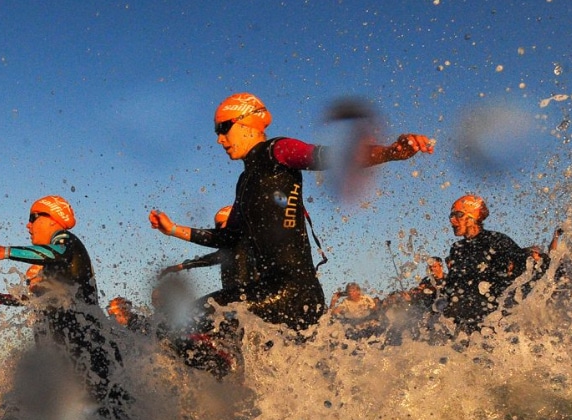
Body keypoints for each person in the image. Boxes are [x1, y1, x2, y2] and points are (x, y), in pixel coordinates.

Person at [149, 92, 433, 331]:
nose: (219, 139)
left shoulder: (277, 150)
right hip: (271, 291)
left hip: (293, 292)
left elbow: (329, 156)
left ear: (246, 121)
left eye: (223, 128)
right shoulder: (244, 182)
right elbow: (228, 238)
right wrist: (172, 229)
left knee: (187, 324)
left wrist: (391, 151)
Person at [0, 195, 129, 419]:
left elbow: (55, 253)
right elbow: (7, 299)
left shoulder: (66, 240)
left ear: (53, 218)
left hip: (92, 348)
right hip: (74, 355)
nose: (28, 225)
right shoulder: (48, 289)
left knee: (110, 412)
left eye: (33, 218)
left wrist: (4, 251)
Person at [442, 194, 529, 334]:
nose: (452, 220)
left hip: (493, 319)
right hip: (465, 321)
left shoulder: (497, 240)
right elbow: (452, 285)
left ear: (473, 217)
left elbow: (525, 269)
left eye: (458, 215)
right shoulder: (457, 248)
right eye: (451, 216)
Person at [158, 206, 239, 289]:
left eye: (225, 223)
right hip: (235, 295)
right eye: (218, 226)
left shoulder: (245, 241)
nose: (221, 228)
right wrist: (181, 266)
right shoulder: (229, 250)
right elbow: (210, 259)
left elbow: (218, 237)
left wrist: (172, 229)